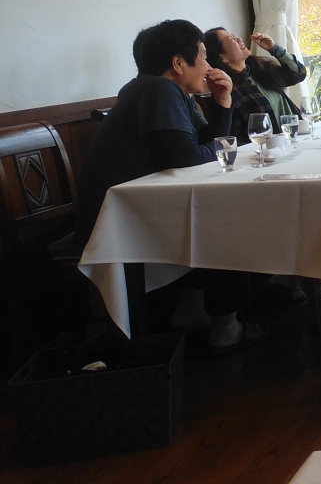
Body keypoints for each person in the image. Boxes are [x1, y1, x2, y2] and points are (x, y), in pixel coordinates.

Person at [76, 20, 268, 351]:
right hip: (119, 224)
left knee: (221, 215)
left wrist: (223, 101)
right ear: (179, 63)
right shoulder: (158, 90)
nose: (208, 65)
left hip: (137, 212)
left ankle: (194, 313)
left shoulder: (165, 91)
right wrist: (223, 149)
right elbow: (187, 158)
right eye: (203, 56)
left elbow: (205, 144)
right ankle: (225, 327)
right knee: (229, 223)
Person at [203, 28, 307, 144]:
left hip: (294, 140)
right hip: (266, 149)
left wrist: (274, 48)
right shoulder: (226, 90)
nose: (239, 39)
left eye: (234, 35)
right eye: (231, 39)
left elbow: (299, 74)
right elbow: (232, 136)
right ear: (223, 57)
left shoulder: (259, 69)